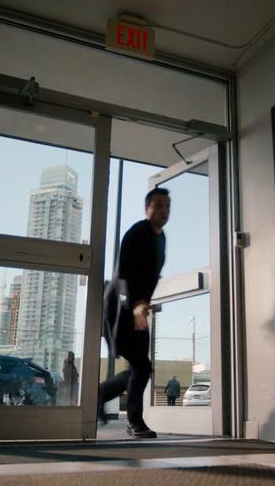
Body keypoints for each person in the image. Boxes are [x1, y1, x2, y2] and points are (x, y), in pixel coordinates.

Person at [98, 187, 170, 438]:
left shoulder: (161, 238)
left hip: (138, 308)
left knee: (141, 367)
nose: (164, 211)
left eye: (167, 206)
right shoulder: (136, 233)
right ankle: (134, 421)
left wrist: (143, 303)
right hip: (120, 306)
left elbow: (150, 276)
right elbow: (123, 276)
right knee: (141, 366)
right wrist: (134, 304)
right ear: (146, 208)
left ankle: (102, 394)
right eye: (158, 205)